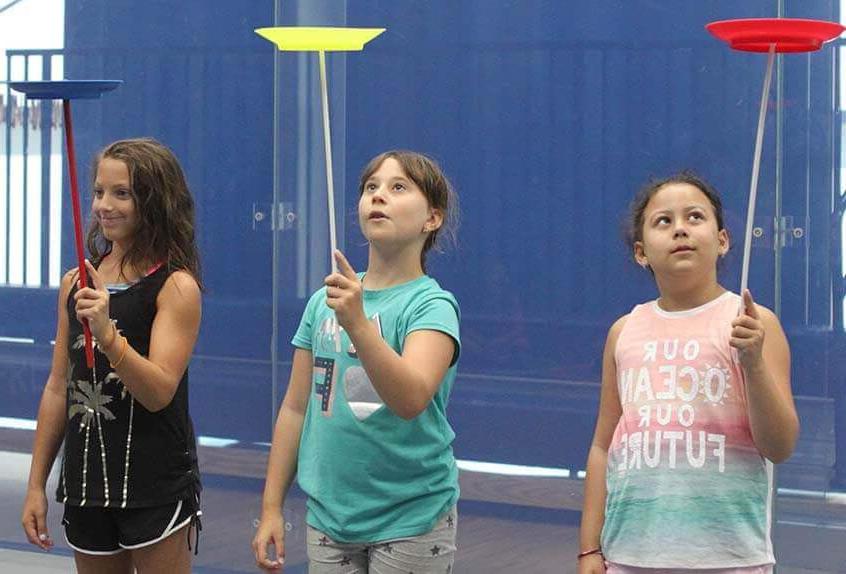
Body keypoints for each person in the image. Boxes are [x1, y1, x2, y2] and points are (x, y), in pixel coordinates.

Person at [579, 172, 799, 573]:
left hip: (730, 559)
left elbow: (780, 446)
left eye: (695, 217)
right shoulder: (624, 331)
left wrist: (754, 364)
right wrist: (589, 548)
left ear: (722, 240)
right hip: (630, 556)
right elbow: (602, 446)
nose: (680, 228)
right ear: (641, 252)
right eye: (664, 221)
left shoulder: (752, 322)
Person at [253, 150, 461, 573]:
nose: (378, 196)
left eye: (398, 187)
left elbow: (411, 399)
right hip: (330, 518)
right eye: (371, 187)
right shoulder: (324, 302)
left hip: (410, 519)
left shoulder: (432, 306)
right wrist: (271, 506)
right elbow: (296, 408)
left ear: (432, 219)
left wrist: (359, 324)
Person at [21, 138, 203, 573]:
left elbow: (159, 391)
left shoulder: (176, 287)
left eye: (122, 193)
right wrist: (35, 485)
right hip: (86, 482)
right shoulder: (76, 282)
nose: (105, 205)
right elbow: (57, 387)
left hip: (154, 480)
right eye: (100, 191)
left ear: (155, 201)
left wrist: (107, 333)